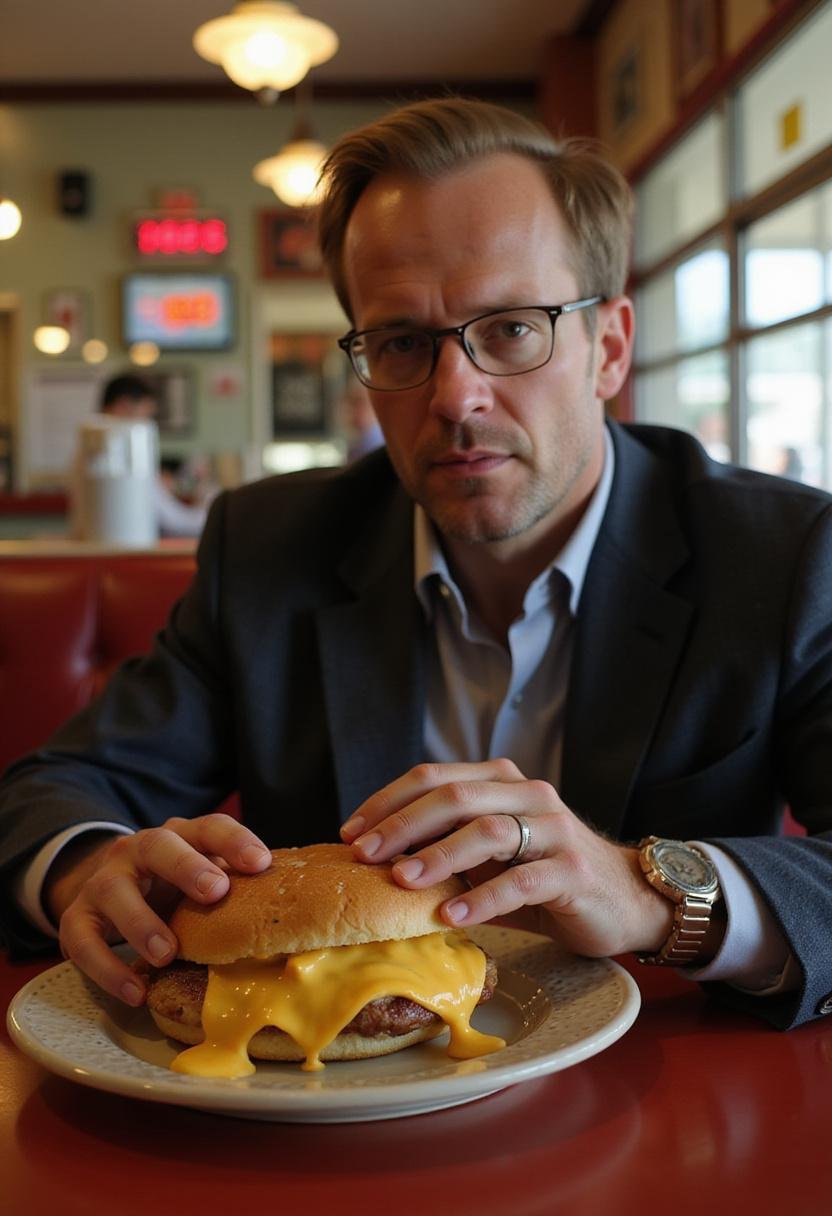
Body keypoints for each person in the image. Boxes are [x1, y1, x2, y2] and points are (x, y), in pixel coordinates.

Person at [1, 99, 831, 1032]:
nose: (455, 396)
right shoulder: (271, 546)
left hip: (667, 1084)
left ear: (608, 348)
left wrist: (650, 892)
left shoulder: (782, 555)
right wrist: (90, 868)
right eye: (401, 342)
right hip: (321, 1098)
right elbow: (54, 790)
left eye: (511, 328)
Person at [70, 374, 211, 539]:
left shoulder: (85, 449)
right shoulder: (124, 449)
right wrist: (215, 512)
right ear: (123, 406)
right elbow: (173, 521)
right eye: (145, 415)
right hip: (128, 549)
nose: (147, 423)